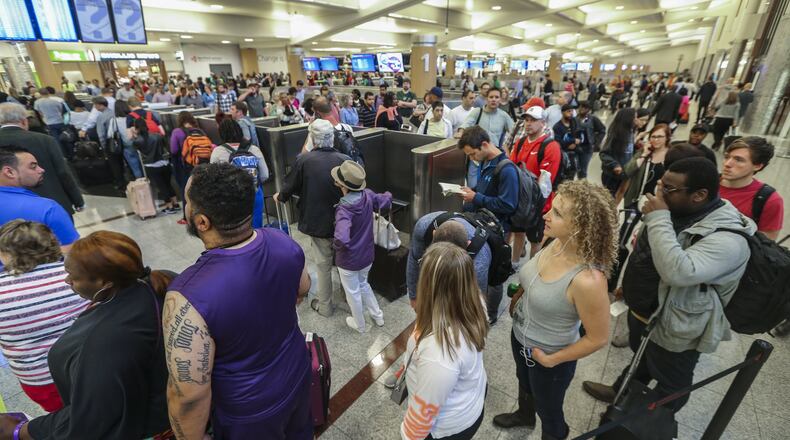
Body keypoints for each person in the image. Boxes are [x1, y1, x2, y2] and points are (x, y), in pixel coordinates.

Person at [582, 157, 753, 415]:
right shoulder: (683, 211)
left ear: (699, 195)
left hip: (680, 327)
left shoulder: (728, 240)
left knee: (672, 383)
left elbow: (678, 271)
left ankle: (645, 422)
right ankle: (621, 392)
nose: (659, 194)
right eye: (662, 185)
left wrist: (659, 216)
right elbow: (653, 253)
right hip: (654, 313)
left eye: (668, 190)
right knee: (643, 360)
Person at [164, 162, 311, 439]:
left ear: (202, 221)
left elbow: (189, 395)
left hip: (248, 412)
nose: (186, 207)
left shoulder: (187, 295)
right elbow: (302, 289)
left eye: (187, 202)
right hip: (296, 373)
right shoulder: (284, 242)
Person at [0, 231, 174, 439]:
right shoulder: (159, 282)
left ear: (104, 283)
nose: (66, 280)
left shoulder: (106, 340)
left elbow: (91, 419)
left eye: (73, 277)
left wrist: (19, 431)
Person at [493, 180, 616, 439]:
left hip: (550, 356)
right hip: (521, 338)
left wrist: (553, 359)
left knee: (549, 410)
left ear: (580, 227)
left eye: (558, 213)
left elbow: (598, 338)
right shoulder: (557, 242)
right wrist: (520, 297)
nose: (546, 215)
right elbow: (536, 277)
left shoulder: (588, 279)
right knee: (524, 383)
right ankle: (525, 416)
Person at [400, 242, 488, 440]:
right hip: (470, 402)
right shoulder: (474, 302)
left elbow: (420, 421)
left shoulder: (439, 353)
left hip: (445, 429)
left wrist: (405, 435)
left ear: (429, 285)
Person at [0, 221, 89, 412]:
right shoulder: (77, 275)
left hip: (39, 380)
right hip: (88, 367)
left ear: (6, 254)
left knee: (64, 417)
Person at [275, 119, 348, 317]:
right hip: (345, 223)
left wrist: (280, 196)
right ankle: (349, 301)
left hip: (318, 222)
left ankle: (325, 306)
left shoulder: (304, 160)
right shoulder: (343, 158)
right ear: (332, 138)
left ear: (313, 139)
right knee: (344, 263)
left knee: (323, 265)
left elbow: (289, 188)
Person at [331, 160, 392, 332]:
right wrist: (388, 194)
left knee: (353, 293)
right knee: (364, 284)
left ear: (341, 184)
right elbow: (385, 201)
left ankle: (360, 325)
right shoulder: (368, 195)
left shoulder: (344, 209)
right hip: (367, 255)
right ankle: (378, 316)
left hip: (349, 261)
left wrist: (335, 245)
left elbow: (341, 237)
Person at [0, 104, 84, 216]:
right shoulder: (45, 140)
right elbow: (63, 172)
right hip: (53, 202)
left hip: (9, 210)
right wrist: (77, 200)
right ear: (24, 121)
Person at [508, 106, 562, 261]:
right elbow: (512, 167)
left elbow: (545, 183)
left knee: (535, 240)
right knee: (518, 233)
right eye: (526, 120)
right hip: (520, 201)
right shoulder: (520, 142)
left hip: (539, 204)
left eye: (533, 120)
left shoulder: (550, 147)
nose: (528, 124)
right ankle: (515, 263)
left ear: (543, 123)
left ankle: (531, 270)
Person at [458, 126, 518, 237]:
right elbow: (486, 188)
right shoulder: (484, 160)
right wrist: (471, 191)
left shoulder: (507, 170)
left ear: (484, 145)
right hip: (480, 222)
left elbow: (508, 205)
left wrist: (475, 197)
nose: (472, 159)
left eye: (473, 154)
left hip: (494, 230)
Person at [719, 136, 783, 240]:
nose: (727, 164)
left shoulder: (769, 200)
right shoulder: (706, 182)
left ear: (758, 166)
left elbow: (765, 246)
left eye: (738, 160)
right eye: (727, 157)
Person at [211, 118, 269, 229]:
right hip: (254, 194)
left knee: (237, 230)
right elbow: (265, 174)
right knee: (256, 227)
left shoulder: (218, 152)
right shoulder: (253, 149)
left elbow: (214, 179)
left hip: (231, 197)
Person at [130, 118, 179, 214]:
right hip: (164, 163)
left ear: (136, 128)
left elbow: (134, 151)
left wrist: (134, 136)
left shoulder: (137, 141)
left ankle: (169, 207)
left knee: (162, 187)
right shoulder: (157, 136)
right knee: (168, 184)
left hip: (152, 165)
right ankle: (175, 204)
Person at [621, 124, 671, 212]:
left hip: (655, 204)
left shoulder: (671, 156)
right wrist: (644, 154)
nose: (656, 140)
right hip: (635, 199)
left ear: (667, 137)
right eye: (653, 137)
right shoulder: (644, 152)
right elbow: (627, 171)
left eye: (660, 137)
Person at [599, 108, 637, 197]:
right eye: (634, 117)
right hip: (611, 175)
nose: (636, 120)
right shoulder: (615, 134)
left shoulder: (630, 132)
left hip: (623, 174)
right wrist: (615, 165)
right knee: (607, 198)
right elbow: (603, 153)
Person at [110, 100, 144, 180]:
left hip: (126, 145)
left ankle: (141, 183)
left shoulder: (114, 120)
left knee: (134, 166)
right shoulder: (134, 116)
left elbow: (110, 134)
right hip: (139, 142)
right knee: (143, 163)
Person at [575, 101, 606, 179]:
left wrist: (596, 142)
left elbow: (602, 130)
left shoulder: (593, 119)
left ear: (588, 109)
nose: (582, 109)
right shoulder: (574, 119)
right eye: (581, 107)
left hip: (587, 148)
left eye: (585, 108)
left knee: (583, 169)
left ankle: (581, 186)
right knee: (576, 167)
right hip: (576, 148)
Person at [552, 103, 581, 179]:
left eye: (572, 111)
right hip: (563, 155)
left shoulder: (574, 122)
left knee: (572, 174)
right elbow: (557, 142)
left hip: (575, 154)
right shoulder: (557, 127)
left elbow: (579, 136)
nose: (571, 113)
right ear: (562, 112)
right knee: (563, 176)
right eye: (568, 111)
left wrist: (576, 143)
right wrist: (573, 141)